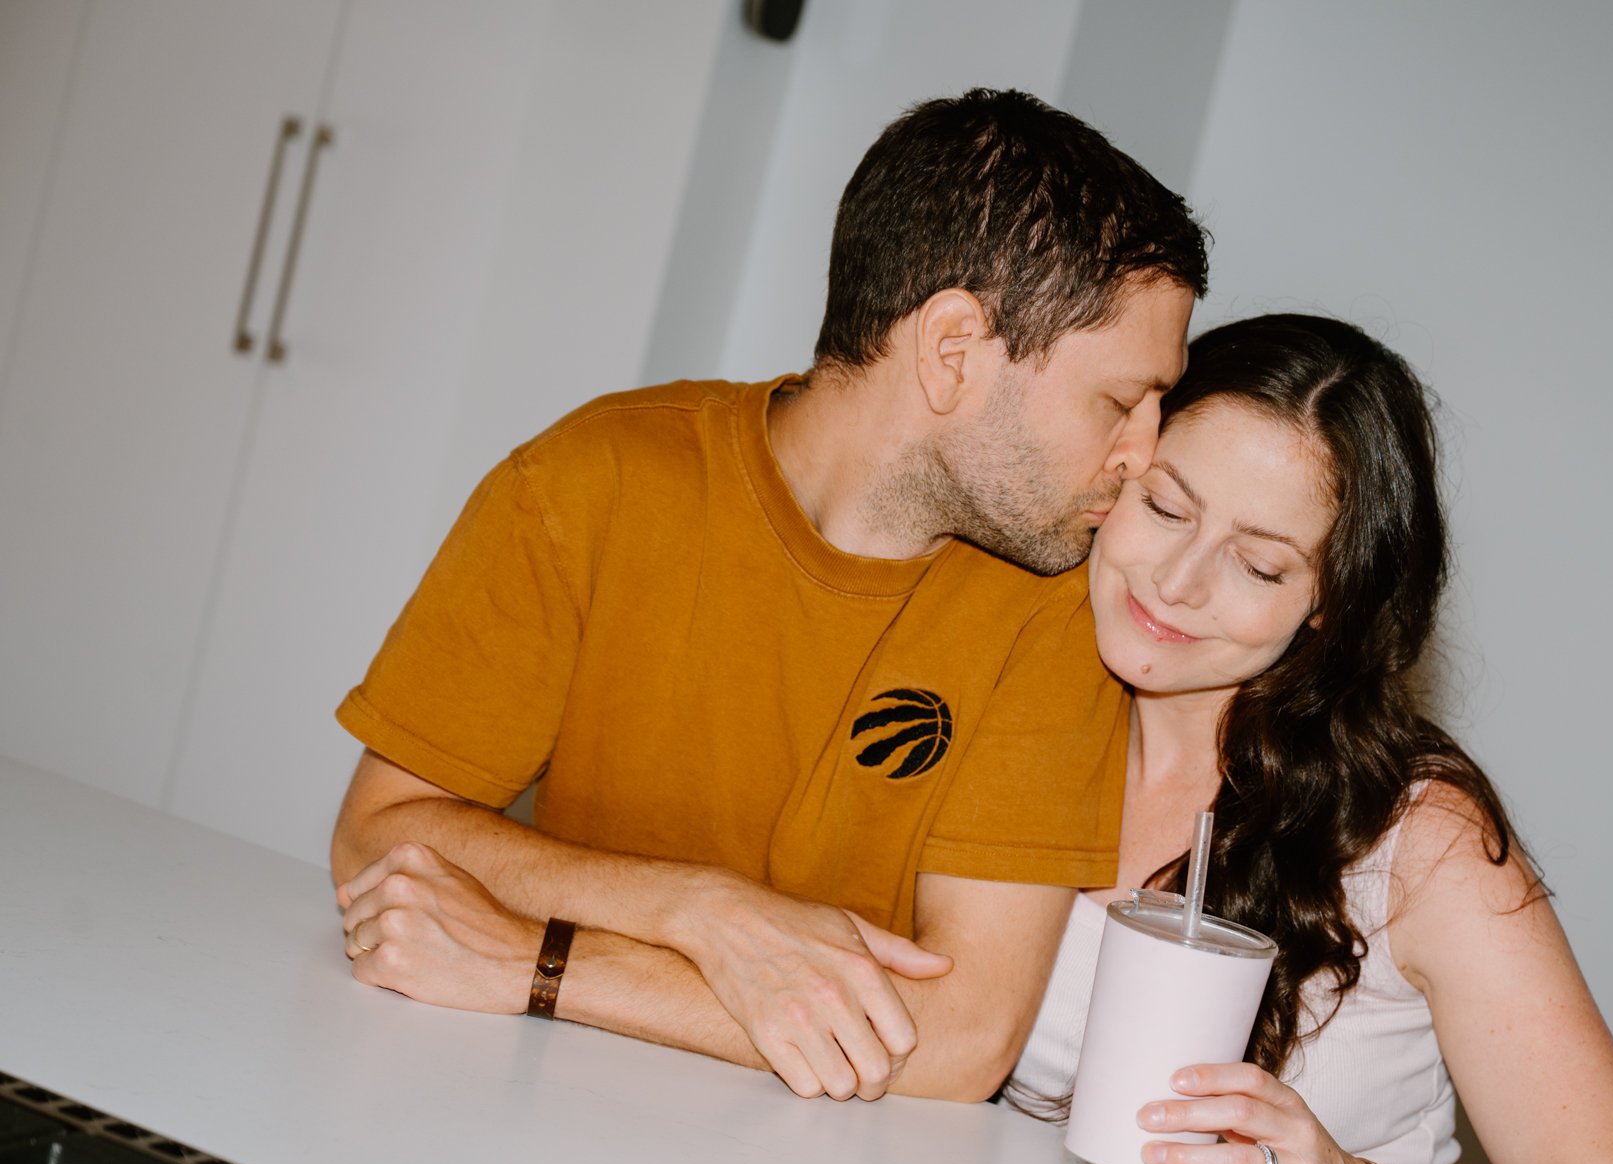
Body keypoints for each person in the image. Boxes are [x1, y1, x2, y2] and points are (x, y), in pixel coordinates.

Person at [327, 89, 1206, 1106]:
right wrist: (702, 911)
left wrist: (544, 962)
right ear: (952, 348)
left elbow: (963, 1036)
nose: (1142, 455)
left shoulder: (1052, 600)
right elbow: (376, 832)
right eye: (1120, 399)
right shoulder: (591, 480)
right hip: (497, 1101)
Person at [1003, 314, 1613, 1164]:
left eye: (1258, 565)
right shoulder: (1000, 714)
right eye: (1164, 506)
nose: (1176, 581)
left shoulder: (1417, 838)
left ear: (1329, 603)